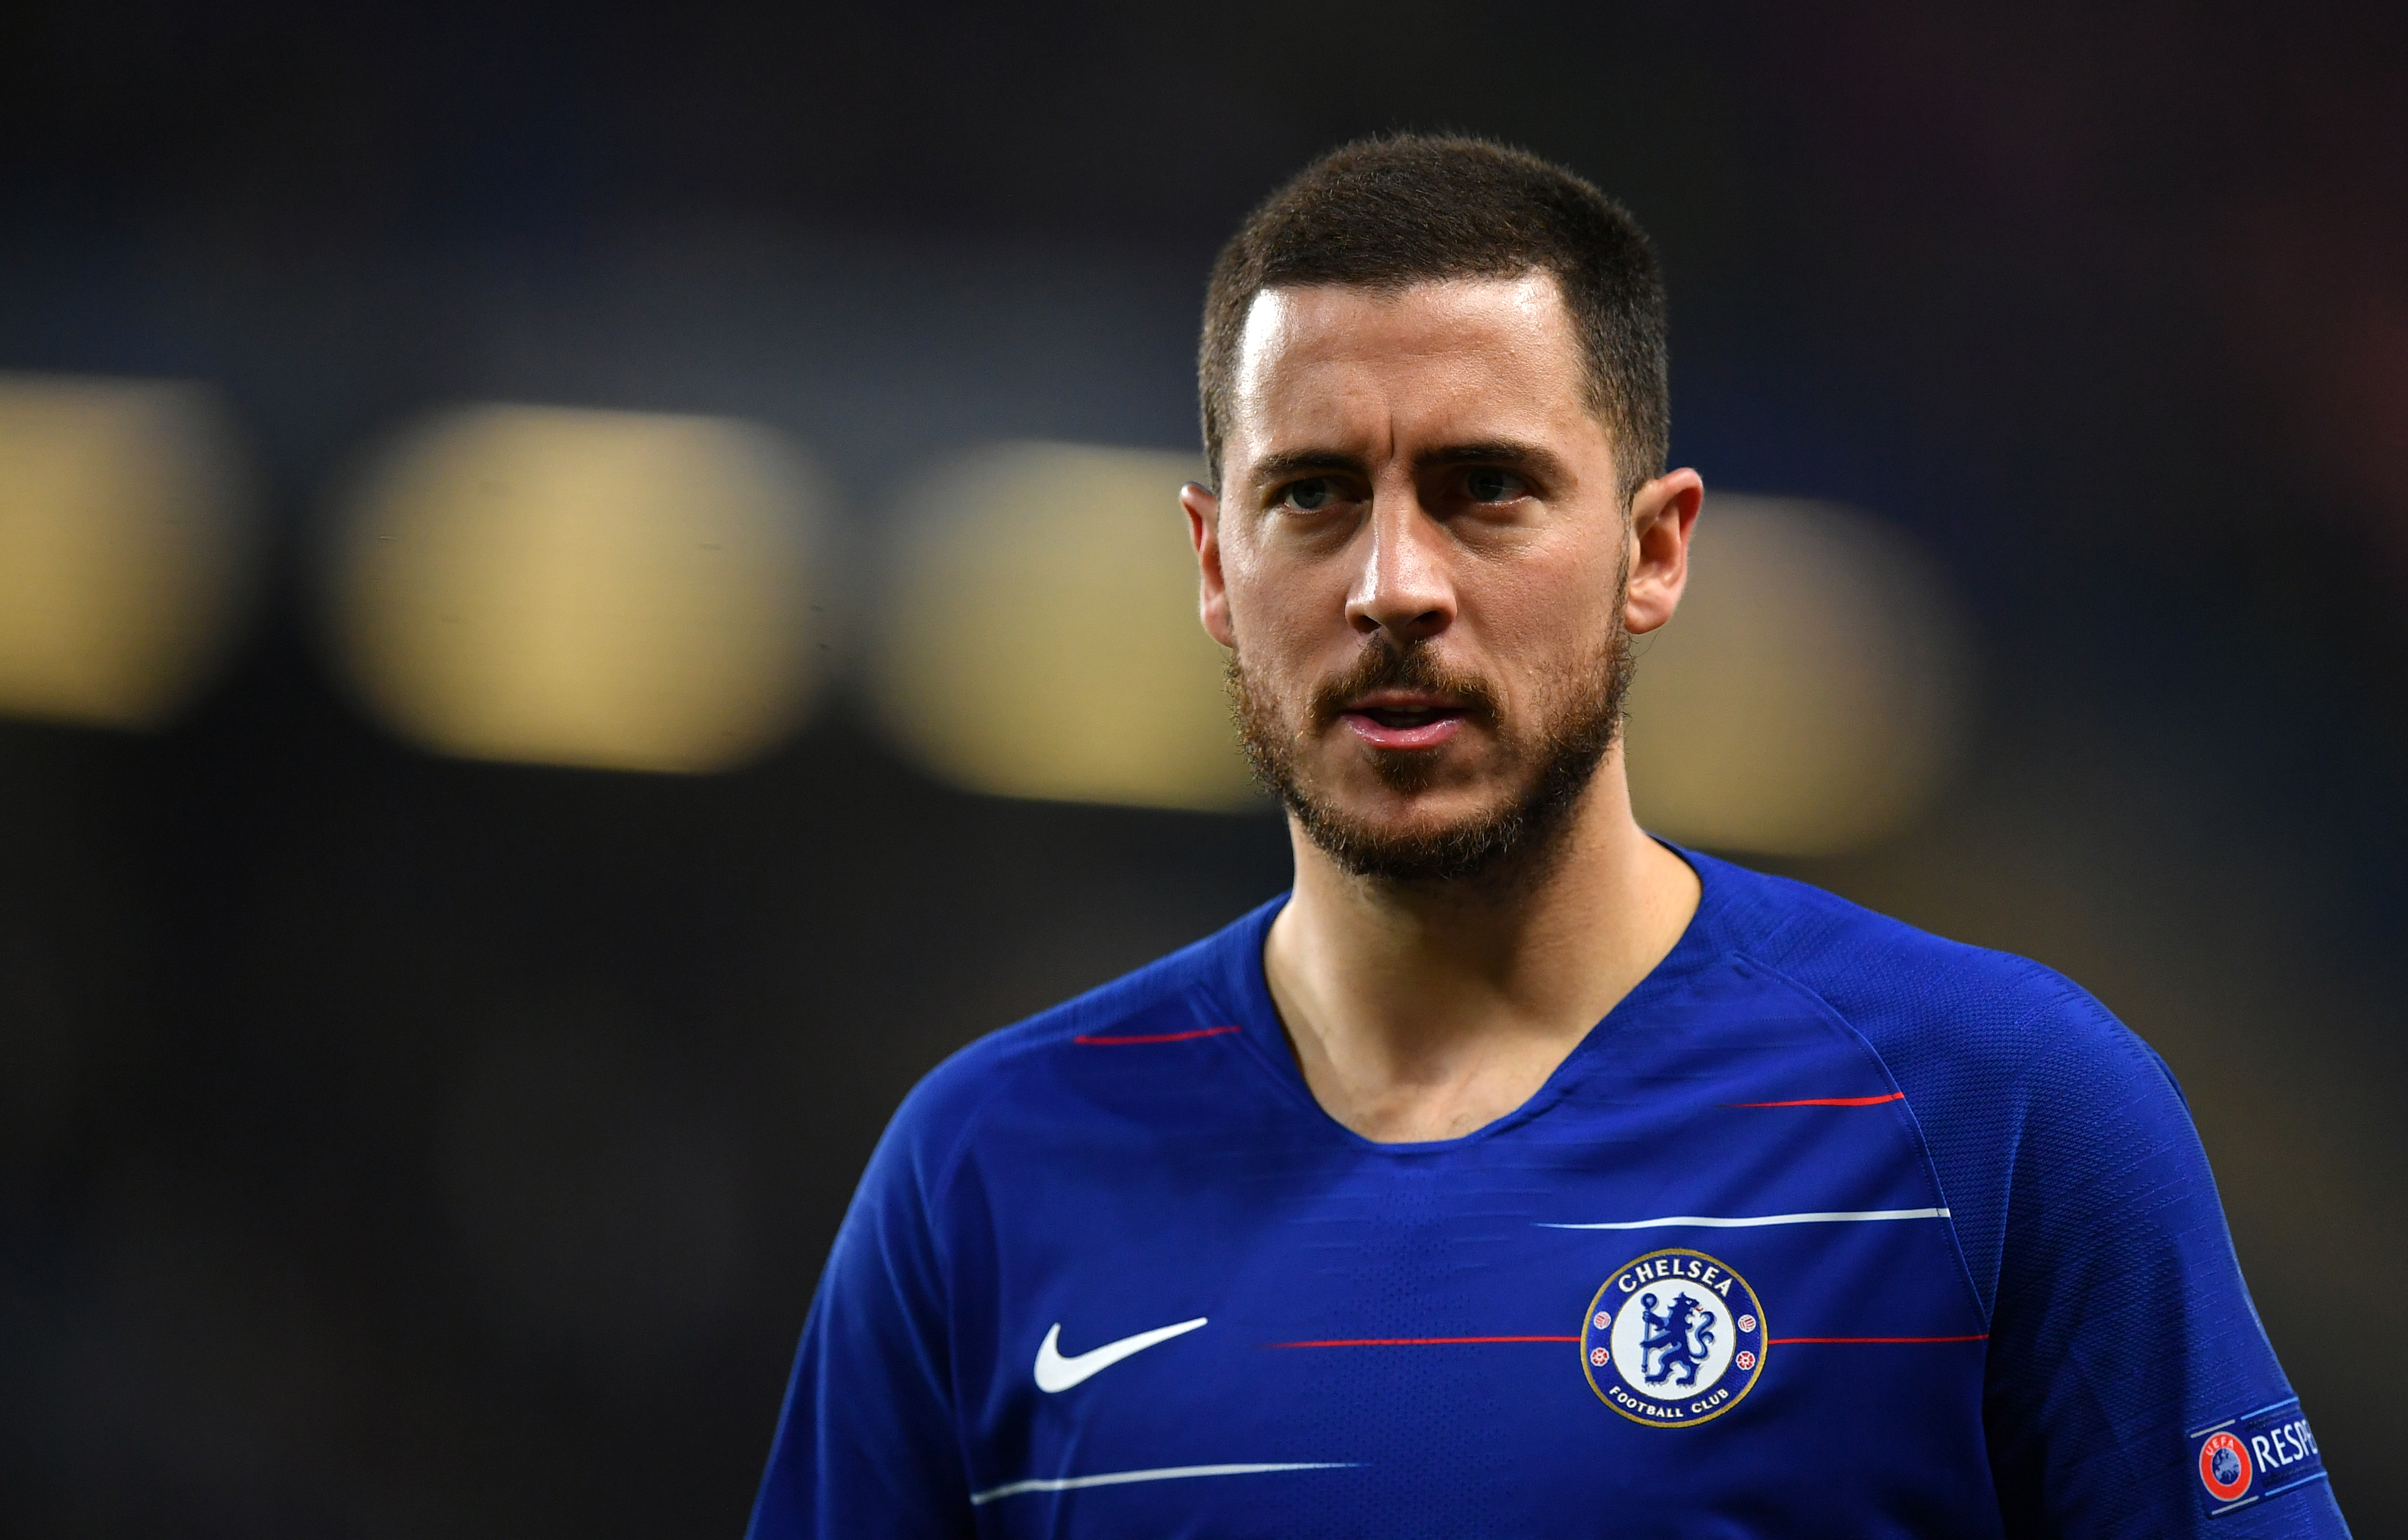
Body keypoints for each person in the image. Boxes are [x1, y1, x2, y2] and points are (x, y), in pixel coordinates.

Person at [747, 135, 2348, 1537]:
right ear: (1213, 563)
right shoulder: (980, 1172)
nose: (1393, 586)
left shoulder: (1999, 1116)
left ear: (1653, 550)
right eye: (1309, 493)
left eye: (1483, 489)